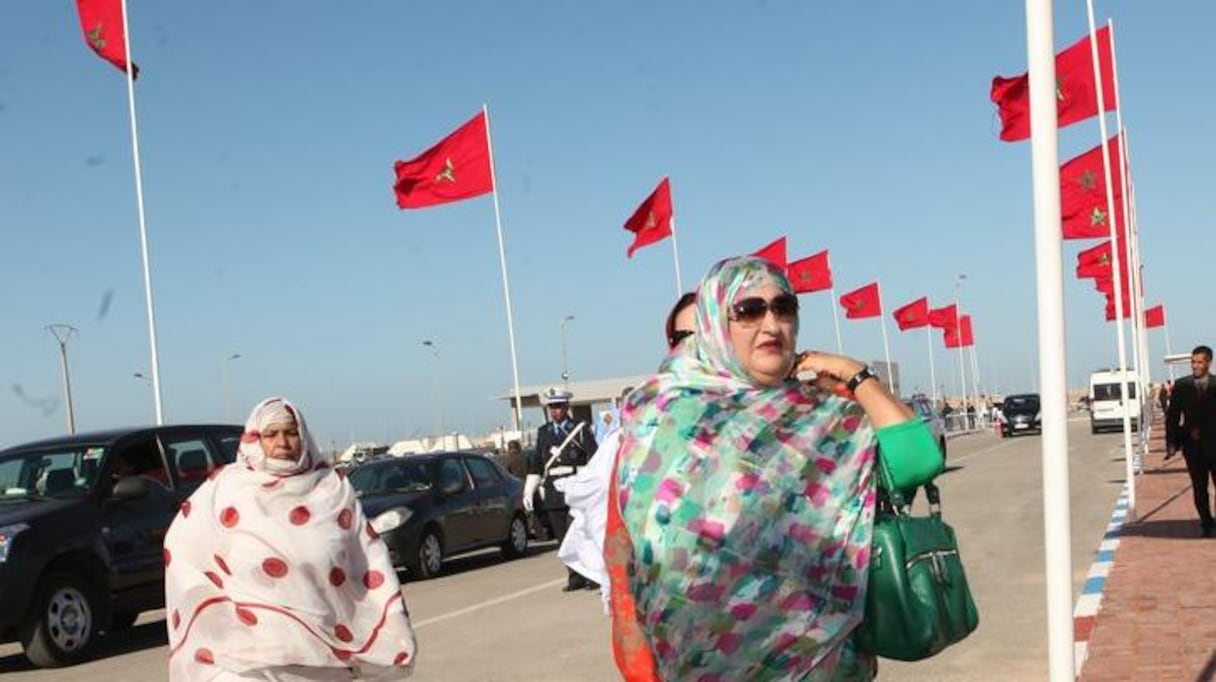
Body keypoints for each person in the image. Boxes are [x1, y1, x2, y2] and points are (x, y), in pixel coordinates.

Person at [611, 256, 938, 680]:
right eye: (749, 311)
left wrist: (854, 374)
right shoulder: (664, 419)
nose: (771, 324)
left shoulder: (825, 418)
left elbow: (920, 461)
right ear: (715, 325)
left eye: (783, 308)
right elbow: (631, 565)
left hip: (824, 663)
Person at [164, 397, 417, 680]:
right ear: (254, 439)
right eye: (271, 434)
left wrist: (392, 619)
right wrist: (212, 613)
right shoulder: (226, 488)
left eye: (291, 432)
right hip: (249, 656)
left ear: (304, 436)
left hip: (322, 651)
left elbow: (369, 557)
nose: (282, 442)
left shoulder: (332, 488)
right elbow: (182, 545)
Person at [554, 292, 698, 614]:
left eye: (709, 331)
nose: (698, 345)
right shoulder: (639, 434)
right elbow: (617, 524)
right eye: (684, 337)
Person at [524, 387, 598, 591]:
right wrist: (529, 489)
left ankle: (590, 575)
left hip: (576, 489)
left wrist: (588, 485)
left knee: (581, 533)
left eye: (558, 406)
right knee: (563, 536)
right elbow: (538, 463)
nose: (554, 411)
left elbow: (594, 459)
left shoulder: (580, 430)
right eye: (551, 407)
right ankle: (574, 576)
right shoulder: (543, 432)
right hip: (554, 491)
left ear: (566, 407)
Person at [1165, 346, 1216, 537]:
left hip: (1214, 444)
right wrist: (1172, 442)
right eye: (1193, 362)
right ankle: (1206, 522)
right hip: (1193, 447)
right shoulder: (1182, 386)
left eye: (1199, 362)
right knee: (1199, 487)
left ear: (1208, 363)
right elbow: (1173, 417)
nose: (1195, 366)